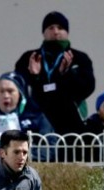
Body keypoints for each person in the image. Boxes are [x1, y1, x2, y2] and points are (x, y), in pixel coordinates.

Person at [15, 11, 95, 140]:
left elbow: (87, 88)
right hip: (37, 121)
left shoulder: (79, 58)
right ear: (43, 32)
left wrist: (65, 76)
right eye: (51, 27)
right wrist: (34, 76)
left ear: (67, 32)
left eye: (60, 28)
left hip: (71, 121)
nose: (56, 31)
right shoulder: (29, 58)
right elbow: (18, 90)